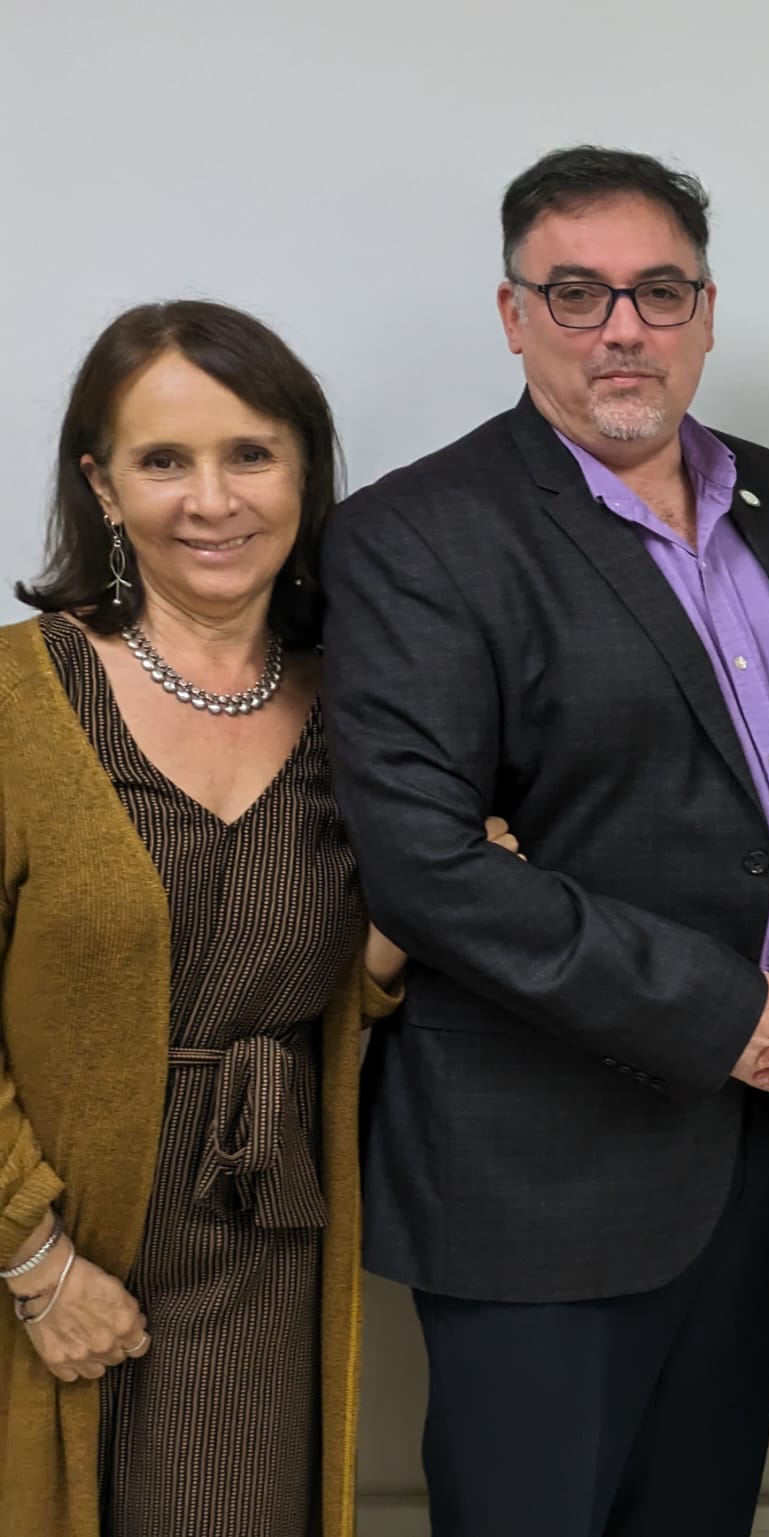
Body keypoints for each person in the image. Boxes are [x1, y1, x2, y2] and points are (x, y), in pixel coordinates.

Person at [318, 145, 769, 1537]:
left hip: (754, 1163)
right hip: (537, 1181)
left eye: (657, 290)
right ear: (514, 315)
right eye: (577, 293)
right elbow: (427, 867)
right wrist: (724, 1008)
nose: (622, 327)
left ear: (707, 312)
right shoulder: (417, 537)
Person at [0, 300, 410, 1537]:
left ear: (305, 473)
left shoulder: (371, 701)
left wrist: (406, 932)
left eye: (250, 453)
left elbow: (323, 982)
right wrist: (30, 1261)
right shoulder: (20, 698)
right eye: (163, 459)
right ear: (102, 487)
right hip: (49, 1229)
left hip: (265, 1230)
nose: (212, 498)